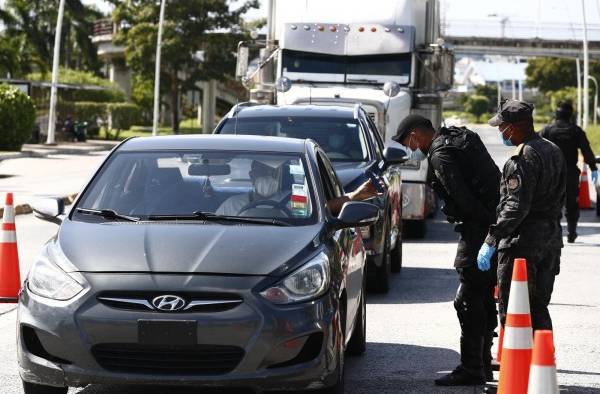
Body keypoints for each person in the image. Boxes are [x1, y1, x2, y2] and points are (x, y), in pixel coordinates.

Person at [393, 114, 500, 386]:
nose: (410, 149)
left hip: (478, 229)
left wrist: (484, 229)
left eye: (408, 142)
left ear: (416, 134)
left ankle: (472, 367)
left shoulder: (440, 154)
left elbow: (463, 200)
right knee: (483, 294)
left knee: (466, 300)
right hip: (494, 224)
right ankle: (484, 363)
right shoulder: (461, 137)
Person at [477, 100, 567, 332]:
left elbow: (516, 207)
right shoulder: (553, 150)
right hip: (551, 240)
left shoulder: (522, 158)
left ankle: (519, 362)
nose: (500, 132)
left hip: (523, 244)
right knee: (538, 304)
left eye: (501, 127)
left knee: (516, 307)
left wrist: (491, 239)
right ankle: (541, 359)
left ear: (514, 127)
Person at [217, 160, 378, 216]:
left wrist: (354, 196)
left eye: (272, 172)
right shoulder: (232, 205)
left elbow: (323, 209)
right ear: (251, 175)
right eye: (262, 171)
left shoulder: (295, 199)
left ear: (280, 176)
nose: (267, 175)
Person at [540, 101, 598, 243]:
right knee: (571, 203)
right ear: (571, 114)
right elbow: (587, 151)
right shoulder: (576, 131)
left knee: (553, 204)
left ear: (556, 113)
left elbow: (536, 147)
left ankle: (556, 232)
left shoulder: (547, 130)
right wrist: (594, 168)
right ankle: (572, 232)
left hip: (552, 173)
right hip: (570, 173)